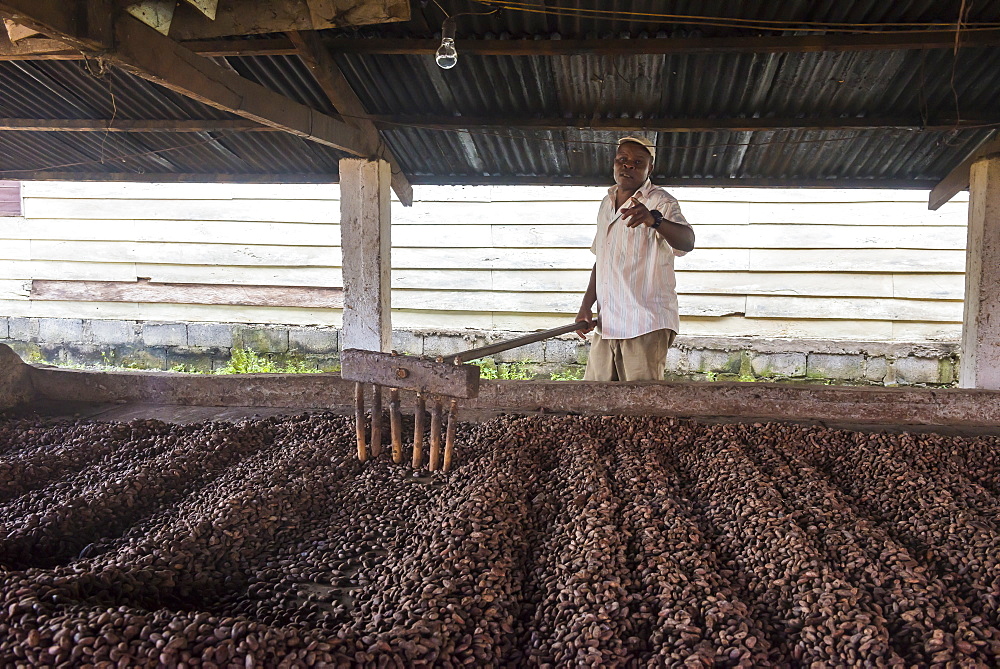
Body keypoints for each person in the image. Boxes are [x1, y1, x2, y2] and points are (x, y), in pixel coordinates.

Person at [576, 136, 696, 382]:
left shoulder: (661, 201)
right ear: (614, 164)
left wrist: (655, 220)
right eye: (623, 160)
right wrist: (586, 306)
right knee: (594, 402)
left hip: (645, 322)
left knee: (641, 409)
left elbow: (687, 242)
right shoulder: (606, 203)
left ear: (649, 168)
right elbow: (603, 261)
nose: (628, 165)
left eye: (637, 162)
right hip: (608, 323)